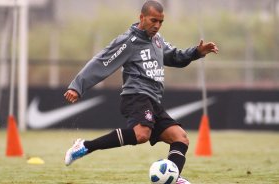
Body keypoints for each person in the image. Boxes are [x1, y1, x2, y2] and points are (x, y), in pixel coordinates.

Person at [64, 1, 218, 183]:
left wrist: (196, 52)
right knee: (141, 134)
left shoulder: (158, 40)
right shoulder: (128, 41)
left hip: (153, 101)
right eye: (153, 20)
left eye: (161, 22)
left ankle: (173, 177)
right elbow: (101, 62)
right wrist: (77, 86)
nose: (157, 26)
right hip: (135, 96)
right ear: (141, 17)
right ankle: (84, 146)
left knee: (181, 138)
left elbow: (175, 56)